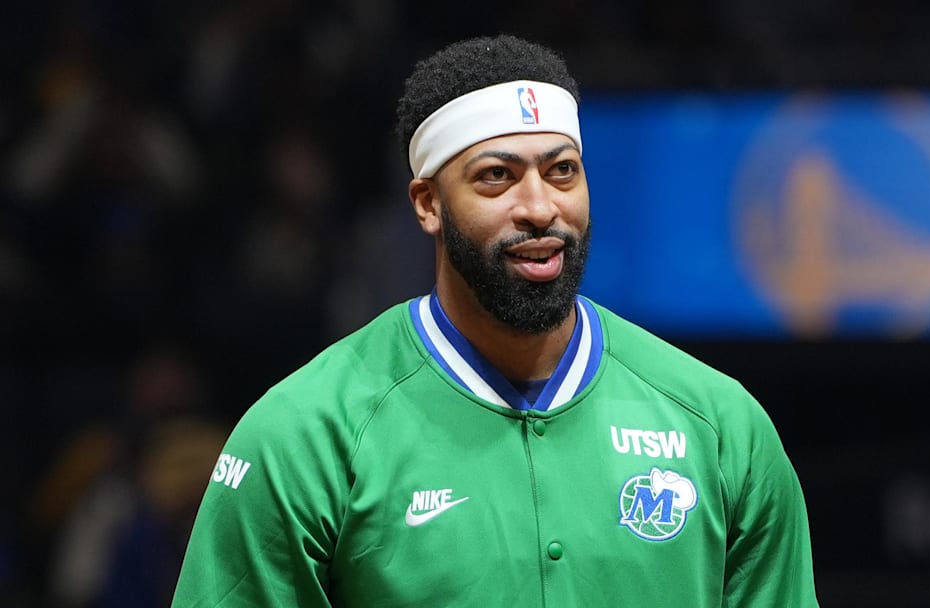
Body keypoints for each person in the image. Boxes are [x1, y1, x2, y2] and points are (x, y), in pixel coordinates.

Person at [172, 34, 818, 607]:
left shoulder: (720, 426)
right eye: (496, 177)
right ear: (427, 203)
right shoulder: (306, 434)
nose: (539, 206)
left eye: (562, 171)